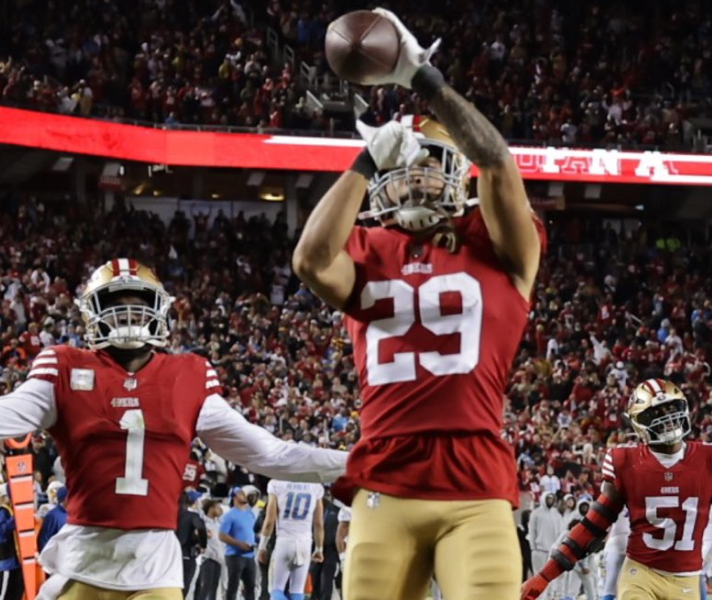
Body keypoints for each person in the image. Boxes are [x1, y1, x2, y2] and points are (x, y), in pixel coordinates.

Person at [0, 259, 348, 599]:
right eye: (118, 302)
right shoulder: (64, 369)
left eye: (140, 303)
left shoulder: (188, 376)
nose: (131, 314)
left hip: (156, 557)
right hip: (86, 551)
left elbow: (270, 455)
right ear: (93, 313)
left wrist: (358, 461)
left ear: (161, 312)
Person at [290, 6, 545, 598]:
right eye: (402, 170)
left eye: (430, 168)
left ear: (458, 176)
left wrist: (424, 81)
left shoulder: (499, 246)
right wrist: (363, 159)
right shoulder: (367, 247)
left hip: (476, 484)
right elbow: (307, 261)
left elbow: (499, 162)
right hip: (386, 481)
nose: (416, 180)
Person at [521, 379, 712, 600]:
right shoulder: (625, 461)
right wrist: (544, 576)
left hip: (686, 581)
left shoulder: (711, 459)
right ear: (640, 424)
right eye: (657, 414)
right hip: (640, 574)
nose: (667, 420)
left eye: (671, 410)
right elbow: (592, 527)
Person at [260, 479, 324, 600]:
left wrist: (262, 546)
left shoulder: (276, 483)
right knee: (297, 592)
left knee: (276, 590)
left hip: (285, 541)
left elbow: (269, 521)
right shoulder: (315, 485)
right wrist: (319, 548)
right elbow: (319, 523)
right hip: (305, 542)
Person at [0, 476, 23, 600]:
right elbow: (1, 531)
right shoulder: (2, 511)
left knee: (13, 591)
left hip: (13, 559)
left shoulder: (8, 510)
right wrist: (16, 519)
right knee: (2, 593)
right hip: (5, 560)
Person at [221, 488, 258, 600]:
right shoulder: (229, 515)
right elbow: (222, 535)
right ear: (234, 496)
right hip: (235, 556)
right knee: (233, 586)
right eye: (241, 493)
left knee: (251, 587)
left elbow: (252, 531)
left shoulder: (250, 513)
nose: (244, 495)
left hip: (250, 555)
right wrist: (239, 544)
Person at [195, 499, 227, 600]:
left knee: (213, 589)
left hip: (218, 560)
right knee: (205, 588)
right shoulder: (204, 523)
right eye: (217, 507)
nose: (220, 509)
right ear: (211, 509)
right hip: (208, 559)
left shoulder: (218, 524)